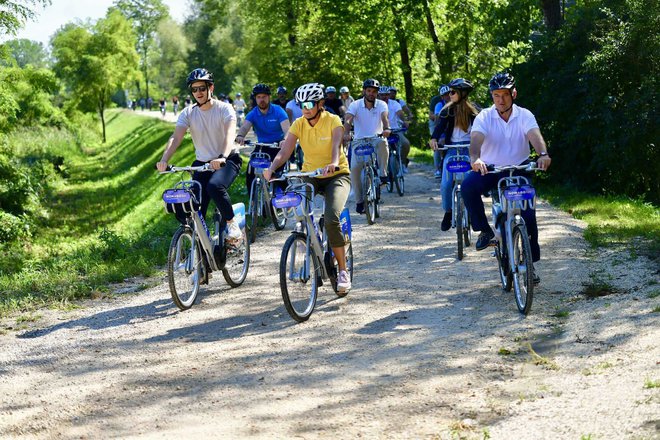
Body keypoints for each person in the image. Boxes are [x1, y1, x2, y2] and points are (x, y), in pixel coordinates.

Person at [461, 72, 552, 283]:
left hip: (519, 169)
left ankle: (531, 265)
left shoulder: (525, 115)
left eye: (504, 95)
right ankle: (485, 231)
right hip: (491, 170)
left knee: (528, 216)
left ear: (514, 94)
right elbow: (475, 142)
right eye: (496, 95)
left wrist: (543, 154)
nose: (500, 100)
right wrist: (475, 159)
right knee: (468, 187)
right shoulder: (484, 116)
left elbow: (534, 136)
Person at [263, 83, 352, 292]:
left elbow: (336, 144)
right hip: (310, 175)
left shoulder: (333, 120)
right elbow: (284, 151)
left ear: (321, 104)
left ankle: (342, 270)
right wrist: (272, 168)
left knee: (331, 219)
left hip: (336, 175)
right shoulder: (299, 123)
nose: (306, 107)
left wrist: (332, 163)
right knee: (300, 213)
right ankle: (308, 241)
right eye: (302, 103)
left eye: (310, 103)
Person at [156, 68, 243, 243]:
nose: (198, 93)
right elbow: (176, 137)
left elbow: (229, 135)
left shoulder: (225, 109)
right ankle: (204, 252)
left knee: (215, 186)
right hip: (202, 164)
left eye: (202, 88)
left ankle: (233, 225)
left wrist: (222, 156)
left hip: (227, 160)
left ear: (211, 88)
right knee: (191, 205)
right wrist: (164, 159)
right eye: (194, 89)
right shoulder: (188, 113)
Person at [429, 78, 479, 231]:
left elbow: (481, 131)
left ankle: (472, 211)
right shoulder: (446, 111)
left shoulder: (474, 112)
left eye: (452, 92)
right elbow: (439, 128)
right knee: (445, 184)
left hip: (469, 149)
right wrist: (434, 139)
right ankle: (448, 212)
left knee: (471, 183)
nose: (449, 95)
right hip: (451, 149)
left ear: (462, 93)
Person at [343, 78, 391, 214]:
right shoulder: (355, 105)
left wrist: (387, 129)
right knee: (355, 170)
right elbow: (348, 119)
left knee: (383, 143)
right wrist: (346, 133)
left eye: (374, 91)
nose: (371, 93)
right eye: (369, 91)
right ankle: (359, 201)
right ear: (364, 91)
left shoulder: (381, 104)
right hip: (359, 141)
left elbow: (385, 118)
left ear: (377, 93)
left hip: (376, 138)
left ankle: (383, 174)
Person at [235, 83, 291, 200]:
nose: (261, 100)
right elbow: (245, 127)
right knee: (250, 172)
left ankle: (284, 196)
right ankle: (253, 202)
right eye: (259, 97)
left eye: (264, 97)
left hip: (277, 145)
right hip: (262, 146)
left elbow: (287, 129)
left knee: (277, 174)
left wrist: (285, 139)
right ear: (255, 99)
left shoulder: (278, 110)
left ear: (269, 97)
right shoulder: (253, 113)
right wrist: (240, 135)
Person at [378, 86, 411, 173]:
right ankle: (378, 168)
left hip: (395, 130)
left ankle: (403, 162)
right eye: (382, 95)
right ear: (379, 95)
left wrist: (404, 121)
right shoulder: (375, 105)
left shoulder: (394, 103)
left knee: (405, 143)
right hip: (381, 131)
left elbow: (400, 113)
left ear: (389, 95)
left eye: (386, 95)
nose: (384, 97)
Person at [430, 85, 451, 178]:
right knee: (439, 144)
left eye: (449, 94)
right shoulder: (439, 105)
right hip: (442, 129)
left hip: (452, 130)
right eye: (445, 95)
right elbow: (438, 119)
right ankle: (438, 168)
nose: (448, 96)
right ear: (442, 97)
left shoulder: (458, 104)